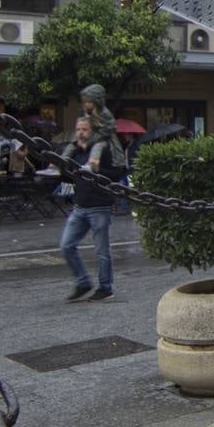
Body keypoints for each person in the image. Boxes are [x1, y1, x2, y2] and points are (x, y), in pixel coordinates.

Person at [58, 115, 123, 302]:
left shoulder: (104, 150)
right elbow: (69, 177)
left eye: (84, 129)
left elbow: (116, 174)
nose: (80, 132)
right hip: (80, 206)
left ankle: (105, 288)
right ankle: (83, 282)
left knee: (102, 251)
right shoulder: (75, 151)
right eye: (78, 129)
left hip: (100, 206)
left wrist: (96, 171)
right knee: (66, 245)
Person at [79, 84, 125, 173]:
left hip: (105, 140)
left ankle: (92, 163)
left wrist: (89, 141)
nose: (86, 104)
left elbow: (109, 128)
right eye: (85, 102)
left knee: (98, 146)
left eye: (89, 102)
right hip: (91, 137)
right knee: (72, 145)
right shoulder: (87, 113)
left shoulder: (104, 113)